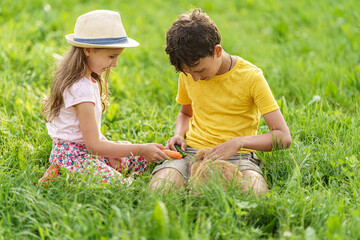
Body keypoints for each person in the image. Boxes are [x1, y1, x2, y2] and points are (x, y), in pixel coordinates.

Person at [149, 9, 291, 195]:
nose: (196, 79)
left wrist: (238, 142)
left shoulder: (251, 77)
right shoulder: (190, 73)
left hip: (239, 157)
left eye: (200, 70)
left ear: (217, 51)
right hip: (192, 154)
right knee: (158, 191)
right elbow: (185, 113)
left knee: (254, 195)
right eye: (189, 73)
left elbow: (283, 136)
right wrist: (178, 135)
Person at [39, 10, 169, 185]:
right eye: (111, 56)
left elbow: (93, 136)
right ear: (87, 50)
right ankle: (60, 171)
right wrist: (140, 148)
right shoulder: (79, 90)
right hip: (73, 155)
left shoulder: (88, 79)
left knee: (144, 159)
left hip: (89, 149)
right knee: (122, 186)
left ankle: (74, 169)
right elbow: (93, 145)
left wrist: (111, 152)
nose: (114, 64)